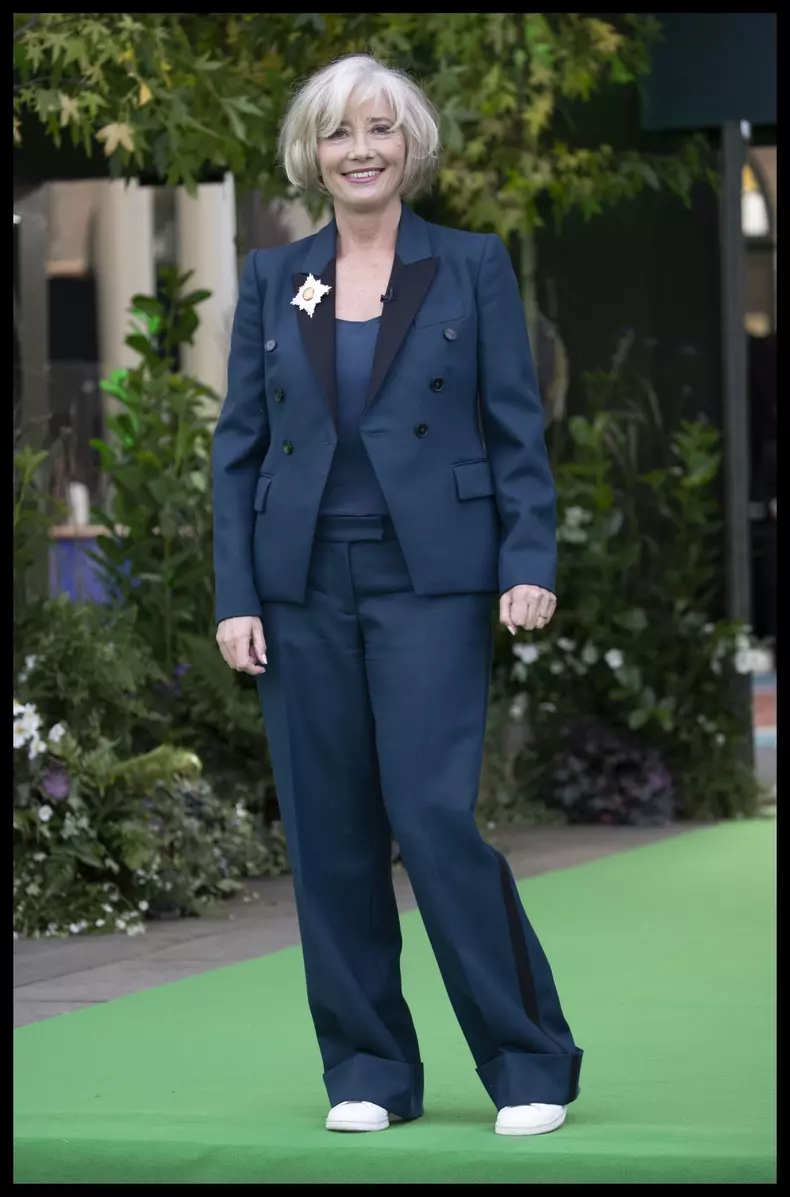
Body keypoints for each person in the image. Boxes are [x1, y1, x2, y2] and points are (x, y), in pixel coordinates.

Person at [212, 54, 582, 1138]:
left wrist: (529, 559)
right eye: (337, 133)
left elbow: (517, 427)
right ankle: (368, 1069)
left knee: (428, 813)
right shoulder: (275, 279)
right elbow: (237, 451)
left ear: (410, 146)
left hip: (433, 578)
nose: (359, 149)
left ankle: (529, 1061)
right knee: (328, 832)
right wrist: (237, 592)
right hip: (300, 586)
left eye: (378, 128)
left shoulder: (470, 265)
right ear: (310, 155)